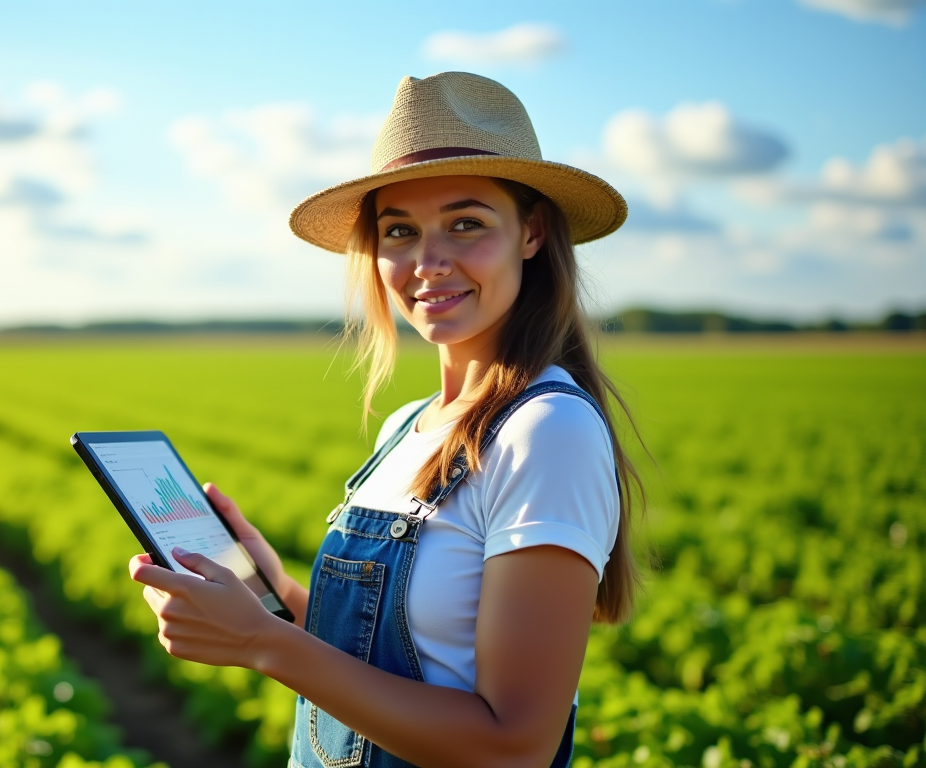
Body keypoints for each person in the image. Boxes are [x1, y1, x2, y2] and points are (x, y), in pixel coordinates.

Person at [129, 71, 643, 768]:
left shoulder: (546, 432)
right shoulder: (408, 425)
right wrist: (276, 599)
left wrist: (263, 643)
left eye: (466, 224)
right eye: (399, 231)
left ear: (532, 232)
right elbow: (404, 661)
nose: (428, 262)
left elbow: (514, 746)